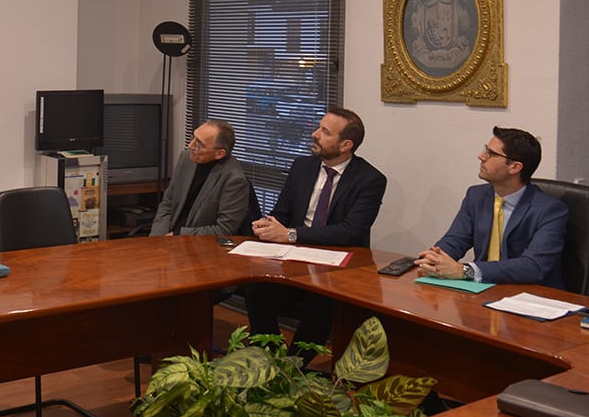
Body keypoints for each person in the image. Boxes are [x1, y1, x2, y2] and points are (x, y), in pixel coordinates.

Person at [245, 107, 386, 360]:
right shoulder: (302, 167)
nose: (314, 134)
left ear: (346, 145)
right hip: (294, 259)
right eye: (319, 127)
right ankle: (269, 361)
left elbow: (350, 232)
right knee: (256, 291)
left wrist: (290, 234)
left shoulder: (370, 180)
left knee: (321, 304)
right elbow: (282, 213)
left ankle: (295, 367)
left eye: (324, 132)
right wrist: (269, 224)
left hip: (338, 267)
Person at [414, 127, 568, 288]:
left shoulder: (551, 210)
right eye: (485, 150)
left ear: (515, 167)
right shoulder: (476, 196)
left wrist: (465, 271)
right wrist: (434, 259)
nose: (481, 157)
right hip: (482, 290)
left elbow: (533, 267)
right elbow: (455, 240)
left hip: (530, 296)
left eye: (492, 154)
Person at [149, 119, 253, 237]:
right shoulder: (186, 158)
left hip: (199, 245)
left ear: (219, 154)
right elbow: (167, 203)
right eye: (193, 137)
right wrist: (158, 238)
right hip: (168, 239)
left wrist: (177, 235)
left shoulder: (234, 180)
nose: (190, 146)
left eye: (199, 144)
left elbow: (223, 230)